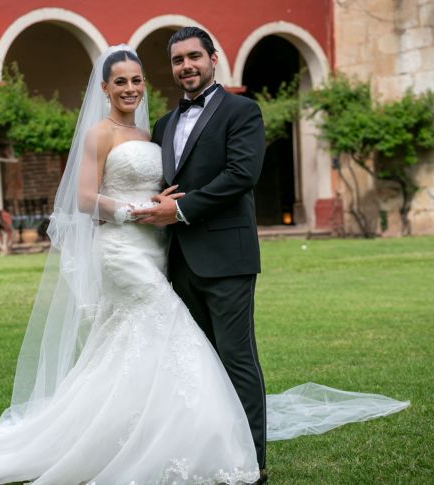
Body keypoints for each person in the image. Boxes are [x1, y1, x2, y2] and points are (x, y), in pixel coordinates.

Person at [0, 44, 410, 485]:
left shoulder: (186, 122)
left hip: (172, 249)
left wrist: (164, 207)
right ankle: (192, 445)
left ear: (212, 58)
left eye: (138, 79)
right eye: (122, 81)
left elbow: (237, 175)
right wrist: (136, 210)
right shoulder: (119, 131)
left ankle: (234, 453)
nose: (133, 87)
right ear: (106, 87)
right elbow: (83, 197)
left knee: (173, 352)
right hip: (124, 248)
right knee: (175, 335)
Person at [132, 26, 268, 482]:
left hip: (228, 257)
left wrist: (182, 209)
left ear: (214, 58)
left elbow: (241, 175)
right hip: (178, 262)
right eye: (177, 60)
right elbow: (163, 186)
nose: (186, 66)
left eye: (194, 56)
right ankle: (209, 453)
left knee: (236, 359)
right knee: (199, 365)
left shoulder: (242, 110)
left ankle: (253, 460)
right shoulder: (164, 125)